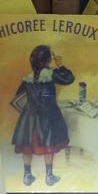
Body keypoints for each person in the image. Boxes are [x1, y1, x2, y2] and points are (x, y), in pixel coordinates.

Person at [11, 45, 74, 186]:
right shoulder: (51, 74)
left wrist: (27, 107)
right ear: (47, 60)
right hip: (48, 115)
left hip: (29, 117)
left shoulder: (28, 78)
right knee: (48, 144)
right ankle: (49, 176)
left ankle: (27, 176)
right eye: (50, 57)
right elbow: (69, 79)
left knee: (27, 145)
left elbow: (17, 98)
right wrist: (61, 65)